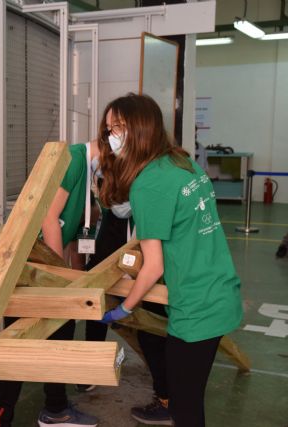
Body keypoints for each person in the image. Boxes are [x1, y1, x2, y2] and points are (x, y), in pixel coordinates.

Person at [97, 93, 243, 427]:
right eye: (108, 129)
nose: (111, 136)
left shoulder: (148, 184)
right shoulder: (182, 162)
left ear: (141, 128)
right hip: (220, 291)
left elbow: (154, 267)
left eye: (118, 127)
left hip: (196, 307)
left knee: (185, 408)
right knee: (187, 397)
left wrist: (125, 307)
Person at [0, 140, 100, 427]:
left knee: (57, 331)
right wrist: (57, 275)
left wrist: (78, 281)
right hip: (28, 264)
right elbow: (48, 216)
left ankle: (55, 408)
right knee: (18, 338)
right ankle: (4, 417)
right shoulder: (75, 159)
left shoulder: (89, 177)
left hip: (46, 265)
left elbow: (75, 238)